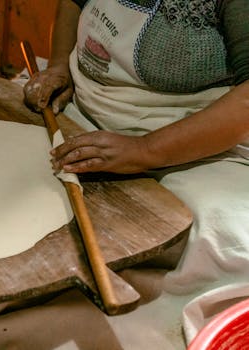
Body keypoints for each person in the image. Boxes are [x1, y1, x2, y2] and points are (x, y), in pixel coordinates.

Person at [23, 0, 249, 345]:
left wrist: (144, 152)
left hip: (194, 137)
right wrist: (58, 67)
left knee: (216, 239)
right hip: (82, 105)